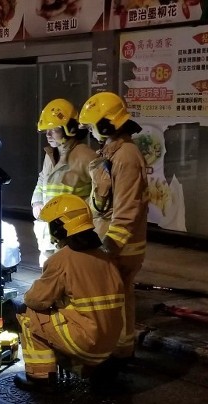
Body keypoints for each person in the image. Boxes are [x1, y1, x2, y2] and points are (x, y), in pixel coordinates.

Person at [13, 194, 125, 392]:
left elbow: (37, 300)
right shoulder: (106, 258)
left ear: (59, 227)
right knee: (68, 315)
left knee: (28, 313)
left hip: (87, 342)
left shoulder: (62, 260)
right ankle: (91, 366)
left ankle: (40, 376)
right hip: (111, 343)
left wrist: (27, 300)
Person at [78, 91, 148, 363]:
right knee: (114, 299)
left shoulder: (126, 156)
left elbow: (127, 209)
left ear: (107, 124)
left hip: (122, 246)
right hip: (111, 240)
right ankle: (117, 349)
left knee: (116, 300)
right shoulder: (112, 152)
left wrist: (110, 246)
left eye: (92, 125)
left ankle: (119, 352)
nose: (90, 131)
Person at [31, 98, 97, 267]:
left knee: (69, 272)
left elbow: (100, 194)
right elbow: (42, 179)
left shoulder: (86, 157)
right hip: (48, 230)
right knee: (48, 271)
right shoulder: (51, 154)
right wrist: (37, 201)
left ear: (70, 128)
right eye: (47, 130)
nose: (48, 134)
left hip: (71, 232)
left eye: (54, 129)